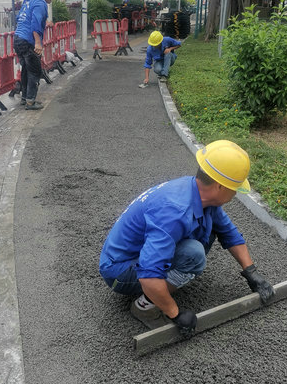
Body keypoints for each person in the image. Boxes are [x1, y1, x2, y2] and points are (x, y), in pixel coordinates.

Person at [99, 140, 275, 335]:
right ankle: (144, 307)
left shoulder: (197, 193)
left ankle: (163, 288)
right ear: (219, 187)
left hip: (136, 255)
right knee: (194, 254)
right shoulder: (175, 212)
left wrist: (251, 272)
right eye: (234, 188)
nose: (235, 193)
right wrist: (175, 313)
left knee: (207, 234)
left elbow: (229, 233)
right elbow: (149, 276)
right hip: (120, 272)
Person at [13, 0, 57, 110]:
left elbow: (19, 17)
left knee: (26, 70)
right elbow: (35, 23)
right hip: (28, 41)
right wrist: (38, 43)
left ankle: (25, 98)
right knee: (35, 71)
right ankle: (30, 102)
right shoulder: (40, 3)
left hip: (18, 38)